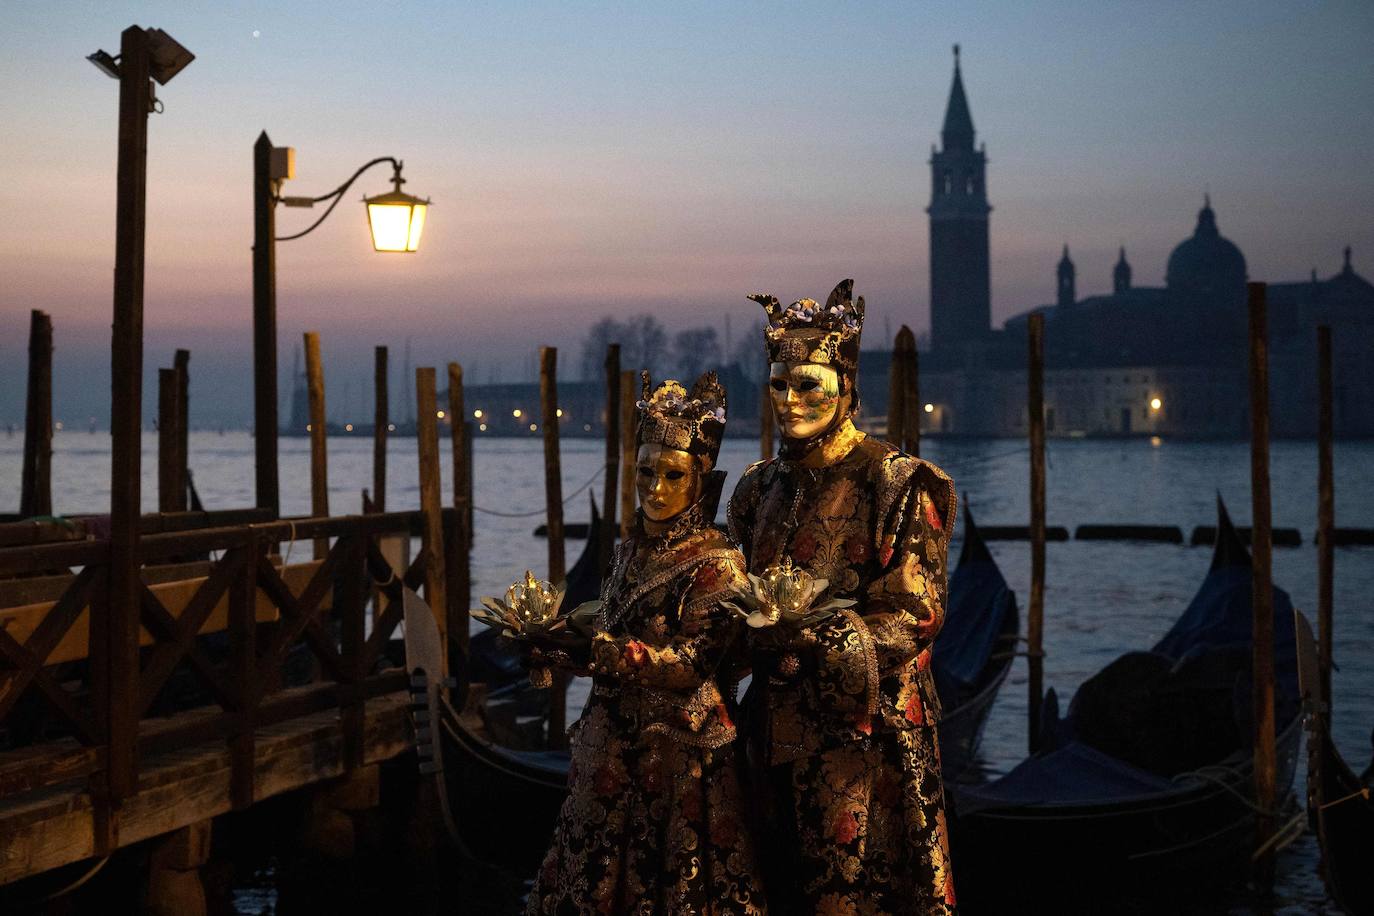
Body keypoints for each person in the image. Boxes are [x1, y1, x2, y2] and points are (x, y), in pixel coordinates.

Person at [728, 279, 958, 915]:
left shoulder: (899, 484)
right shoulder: (758, 489)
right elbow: (733, 602)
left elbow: (917, 614)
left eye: (808, 385)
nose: (790, 400)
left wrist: (810, 635)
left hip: (866, 742)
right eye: (779, 384)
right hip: (770, 736)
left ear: (846, 387)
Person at [527, 372, 766, 916]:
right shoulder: (629, 551)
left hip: (679, 760)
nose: (655, 489)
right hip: (610, 750)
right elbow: (606, 635)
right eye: (645, 472)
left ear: (700, 480)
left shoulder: (717, 564)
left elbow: (694, 663)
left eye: (673, 475)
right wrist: (553, 647)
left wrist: (610, 654)